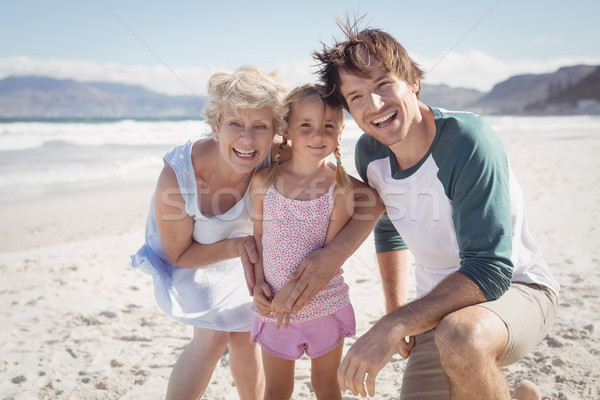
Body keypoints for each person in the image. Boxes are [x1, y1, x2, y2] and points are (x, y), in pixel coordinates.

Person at [303, 21, 559, 399]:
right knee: (454, 337)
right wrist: (398, 307)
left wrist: (392, 323)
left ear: (412, 81)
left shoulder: (467, 141)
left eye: (382, 85)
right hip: (436, 306)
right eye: (355, 97)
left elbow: (489, 269)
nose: (373, 106)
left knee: (461, 337)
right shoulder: (372, 154)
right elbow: (388, 228)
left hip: (518, 288)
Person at [131, 65, 288, 400]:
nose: (247, 139)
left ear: (276, 131)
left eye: (260, 126)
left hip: (250, 255)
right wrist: (238, 246)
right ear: (215, 126)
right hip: (196, 257)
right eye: (235, 124)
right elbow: (179, 254)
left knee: (247, 335)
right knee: (213, 336)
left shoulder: (278, 157)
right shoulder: (179, 177)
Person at [249, 83, 356, 400]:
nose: (318, 134)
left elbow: (330, 255)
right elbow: (258, 237)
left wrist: (292, 295)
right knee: (277, 390)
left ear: (341, 130)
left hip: (324, 304)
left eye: (328, 126)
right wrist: (257, 284)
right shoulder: (264, 181)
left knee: (326, 387)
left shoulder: (340, 187)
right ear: (287, 128)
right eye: (305, 125)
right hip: (273, 309)